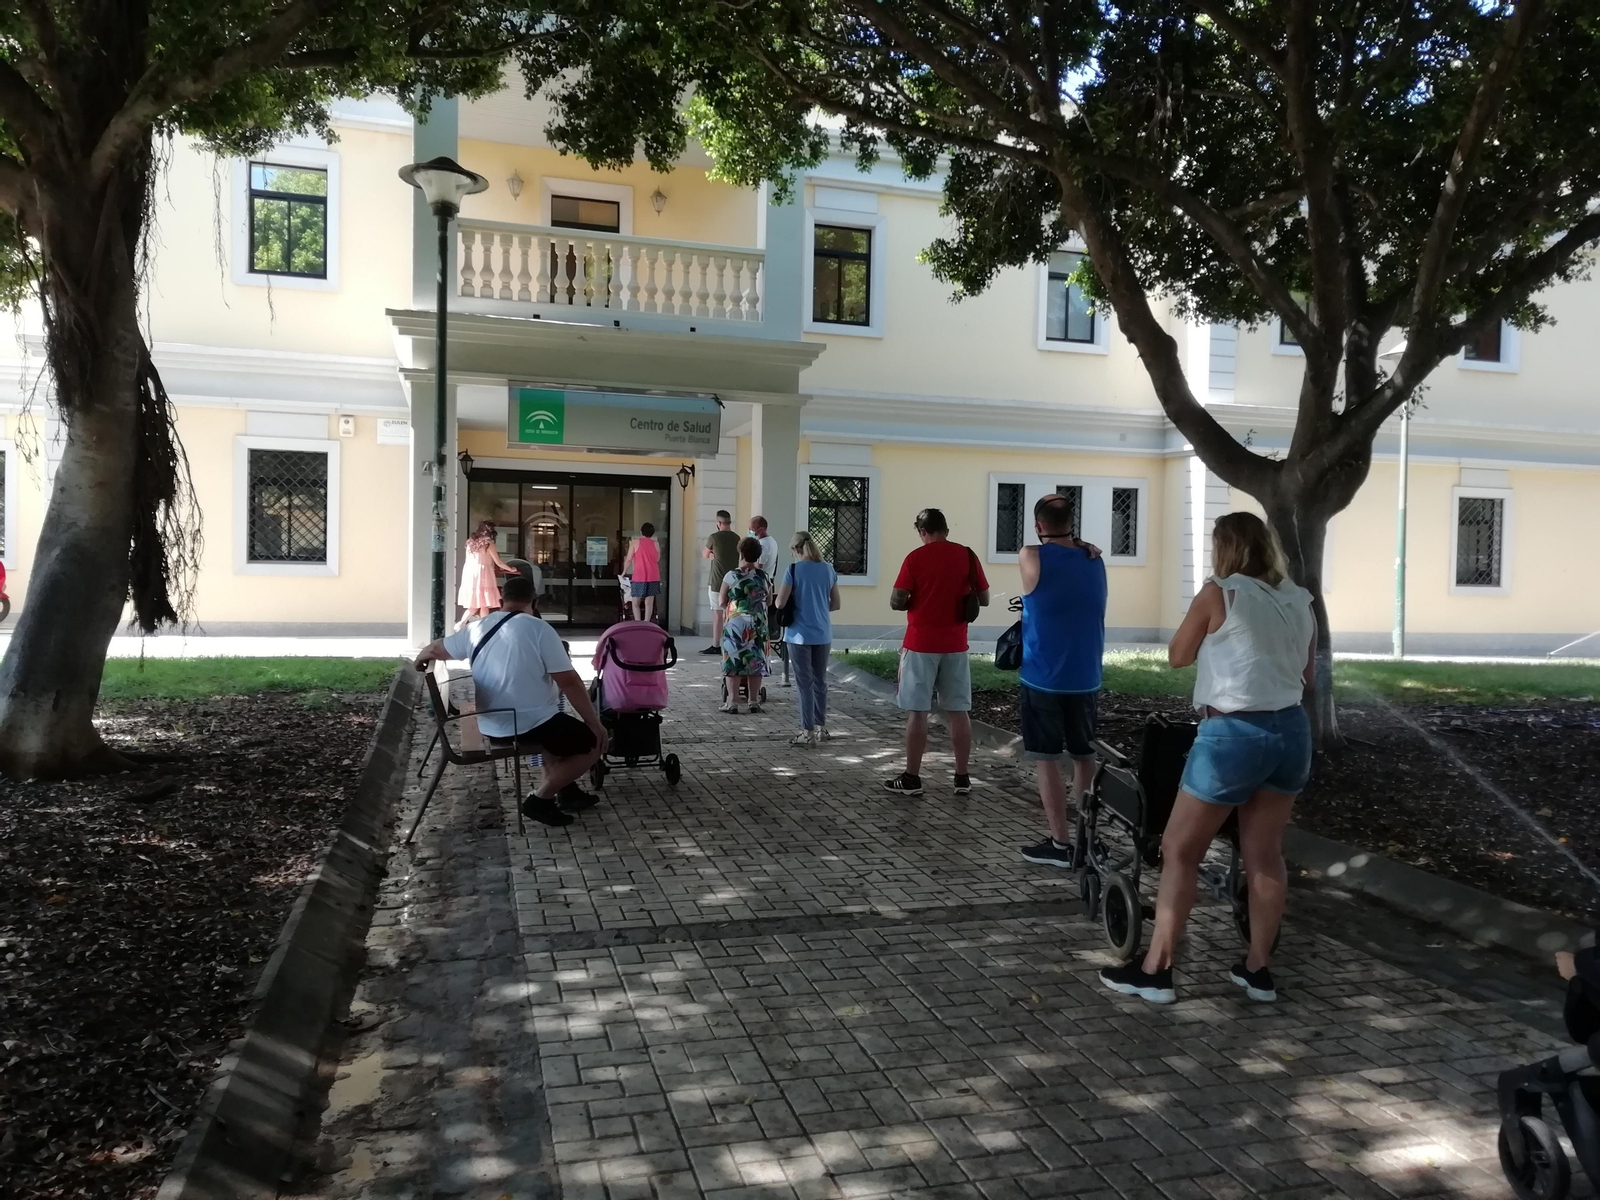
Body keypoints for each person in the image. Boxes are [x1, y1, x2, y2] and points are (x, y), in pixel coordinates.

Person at [1101, 512, 1314, 1006]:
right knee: (1265, 854)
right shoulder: (1300, 599)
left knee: (1180, 851)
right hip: (1291, 732)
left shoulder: (1219, 591)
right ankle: (1258, 970)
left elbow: (1177, 654)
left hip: (1233, 735)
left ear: (1224, 549)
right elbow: (1306, 675)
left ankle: (1156, 971)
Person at [415, 576, 607, 828]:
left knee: (558, 726)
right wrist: (595, 722)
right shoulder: (539, 630)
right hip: (522, 724)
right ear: (534, 602)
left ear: (501, 599)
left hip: (491, 720)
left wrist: (419, 660)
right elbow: (569, 682)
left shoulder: (477, 627)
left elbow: (436, 649)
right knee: (594, 742)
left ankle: (567, 791)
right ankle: (541, 799)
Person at [1016, 494, 1107, 869]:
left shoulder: (1030, 555)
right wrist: (1081, 542)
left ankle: (1060, 843)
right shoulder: (1095, 560)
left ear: (1038, 526)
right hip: (1086, 677)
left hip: (1043, 678)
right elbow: (1076, 546)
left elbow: (1032, 554)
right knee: (1084, 758)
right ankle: (1088, 840)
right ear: (1073, 521)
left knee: (1047, 759)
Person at [883, 508, 988, 796]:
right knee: (958, 711)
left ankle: (912, 777)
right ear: (946, 529)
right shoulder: (967, 555)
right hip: (956, 644)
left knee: (917, 711)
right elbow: (985, 598)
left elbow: (896, 600)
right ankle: (962, 777)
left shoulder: (915, 558)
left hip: (920, 644)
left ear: (922, 531)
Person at [775, 530, 841, 746]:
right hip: (823, 633)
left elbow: (780, 603)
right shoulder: (829, 569)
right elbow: (836, 604)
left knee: (805, 683)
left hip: (798, 635)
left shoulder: (793, 570)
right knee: (820, 681)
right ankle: (822, 728)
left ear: (796, 549)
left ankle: (807, 731)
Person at [718, 536, 771, 714]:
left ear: (740, 552)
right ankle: (753, 701)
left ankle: (732, 702)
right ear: (758, 555)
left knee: (733, 660)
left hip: (736, 622)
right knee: (755, 660)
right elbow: (769, 601)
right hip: (757, 623)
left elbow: (721, 600)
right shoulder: (764, 576)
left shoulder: (731, 575)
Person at [456, 520, 514, 628]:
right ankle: (483, 626)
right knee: (484, 601)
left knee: (476, 603)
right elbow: (499, 562)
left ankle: (462, 623)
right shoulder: (488, 544)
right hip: (483, 573)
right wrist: (510, 569)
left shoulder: (470, 543)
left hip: (470, 573)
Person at [702, 510, 741, 653]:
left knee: (717, 613)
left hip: (717, 581)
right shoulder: (737, 538)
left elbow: (704, 554)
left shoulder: (714, 537)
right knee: (732, 614)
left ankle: (716, 645)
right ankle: (731, 643)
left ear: (718, 523)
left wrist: (712, 554)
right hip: (734, 581)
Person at [623, 522, 662, 623]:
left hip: (639, 575)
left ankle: (638, 623)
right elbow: (657, 559)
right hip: (653, 575)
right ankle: (646, 623)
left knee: (635, 601)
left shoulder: (635, 543)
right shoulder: (656, 543)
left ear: (641, 532)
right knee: (649, 602)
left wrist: (624, 572)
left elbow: (628, 559)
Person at [749, 515, 779, 586]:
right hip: (767, 579)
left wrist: (747, 564)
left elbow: (759, 565)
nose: (750, 531)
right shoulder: (772, 541)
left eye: (752, 529)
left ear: (761, 530)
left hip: (760, 582)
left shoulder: (763, 544)